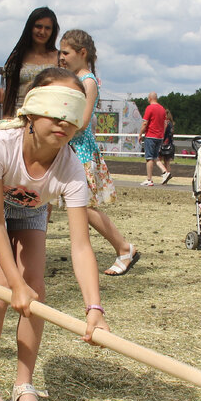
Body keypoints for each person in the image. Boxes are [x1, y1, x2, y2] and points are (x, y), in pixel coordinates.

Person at [0, 66, 108, 401]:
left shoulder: (72, 169)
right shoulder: (0, 145)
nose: (63, 120)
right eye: (55, 109)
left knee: (36, 290)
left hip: (31, 208)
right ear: (30, 110)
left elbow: (81, 246)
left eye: (72, 112)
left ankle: (23, 384)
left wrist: (95, 308)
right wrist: (14, 283)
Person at [58, 29, 138, 276]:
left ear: (82, 53)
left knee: (84, 207)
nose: (60, 57)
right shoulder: (73, 79)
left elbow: (82, 122)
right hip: (68, 148)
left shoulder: (87, 81)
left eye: (65, 52)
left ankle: (124, 248)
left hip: (79, 150)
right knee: (64, 204)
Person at [0, 6, 60, 118]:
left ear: (53, 31)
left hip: (49, 117)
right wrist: (7, 122)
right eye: (38, 26)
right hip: (19, 116)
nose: (42, 32)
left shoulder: (59, 57)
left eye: (47, 28)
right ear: (30, 27)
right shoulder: (17, 57)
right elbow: (9, 94)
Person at [138, 92, 169, 185]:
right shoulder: (162, 109)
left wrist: (140, 134)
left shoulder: (150, 108)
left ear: (150, 98)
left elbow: (145, 123)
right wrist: (162, 134)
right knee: (155, 157)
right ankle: (165, 172)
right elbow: (165, 123)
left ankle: (149, 179)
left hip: (151, 135)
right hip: (159, 136)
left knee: (149, 158)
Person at [158, 109, 176, 181]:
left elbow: (163, 133)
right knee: (167, 161)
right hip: (170, 144)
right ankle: (167, 174)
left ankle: (165, 174)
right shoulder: (171, 124)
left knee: (157, 159)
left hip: (164, 144)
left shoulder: (165, 123)